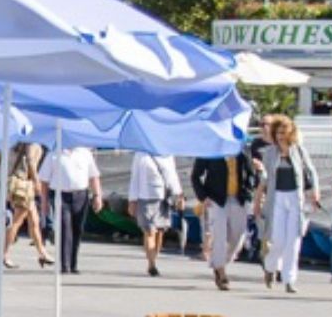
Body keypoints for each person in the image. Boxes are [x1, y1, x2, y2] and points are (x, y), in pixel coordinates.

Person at [258, 116, 321, 294]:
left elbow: (311, 172)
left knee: (293, 242)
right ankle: (270, 268)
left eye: (284, 133)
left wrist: (315, 191)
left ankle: (289, 279)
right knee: (277, 240)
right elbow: (266, 177)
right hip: (277, 197)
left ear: (291, 133)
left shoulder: (299, 151)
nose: (280, 136)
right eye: (278, 133)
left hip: (295, 197)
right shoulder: (269, 153)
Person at [190, 144, 260, 291]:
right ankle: (221, 272)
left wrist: (250, 190)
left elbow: (250, 173)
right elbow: (195, 175)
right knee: (219, 235)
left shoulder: (242, 148)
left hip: (238, 198)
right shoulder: (210, 148)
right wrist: (203, 197)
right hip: (217, 199)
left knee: (238, 236)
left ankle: (219, 261)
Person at [39, 144, 102, 277]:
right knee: (65, 228)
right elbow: (44, 181)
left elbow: (94, 176)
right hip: (61, 195)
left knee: (77, 229)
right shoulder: (54, 154)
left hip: (81, 194)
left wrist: (97, 196)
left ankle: (73, 264)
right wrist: (44, 202)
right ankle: (65, 264)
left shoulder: (85, 153)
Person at [126, 151, 182, 279]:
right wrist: (132, 200)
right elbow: (135, 178)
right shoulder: (140, 155)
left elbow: (172, 175)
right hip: (146, 196)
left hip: (164, 197)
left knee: (160, 232)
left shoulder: (167, 154)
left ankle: (154, 258)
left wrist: (179, 194)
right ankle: (152, 264)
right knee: (149, 231)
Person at [1, 143, 52, 270]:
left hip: (23, 184)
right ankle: (4, 253)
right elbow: (30, 161)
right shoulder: (33, 143)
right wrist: (36, 180)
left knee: (34, 221)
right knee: (17, 221)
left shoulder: (23, 144)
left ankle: (42, 253)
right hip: (25, 185)